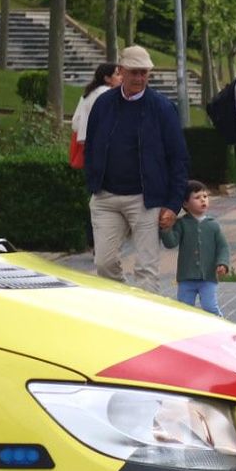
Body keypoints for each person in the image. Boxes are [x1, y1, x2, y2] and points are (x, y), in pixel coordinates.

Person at [82, 44, 190, 296]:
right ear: (121, 70)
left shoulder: (162, 108)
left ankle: (146, 316)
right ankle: (125, 306)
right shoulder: (103, 104)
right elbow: (91, 145)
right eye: (134, 72)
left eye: (144, 73)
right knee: (104, 263)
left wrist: (173, 204)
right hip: (106, 197)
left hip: (145, 199)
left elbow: (179, 158)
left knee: (146, 269)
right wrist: (93, 179)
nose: (140, 78)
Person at [161, 180, 230, 316]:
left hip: (208, 277)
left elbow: (223, 247)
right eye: (197, 197)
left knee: (210, 307)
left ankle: (220, 325)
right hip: (186, 277)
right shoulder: (181, 223)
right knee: (184, 310)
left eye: (205, 196)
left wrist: (222, 263)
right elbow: (171, 243)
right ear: (185, 204)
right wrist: (166, 229)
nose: (203, 200)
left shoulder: (213, 225)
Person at [69, 62, 120, 170]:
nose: (121, 77)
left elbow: (76, 122)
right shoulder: (107, 94)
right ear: (107, 78)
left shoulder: (91, 93)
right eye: (117, 74)